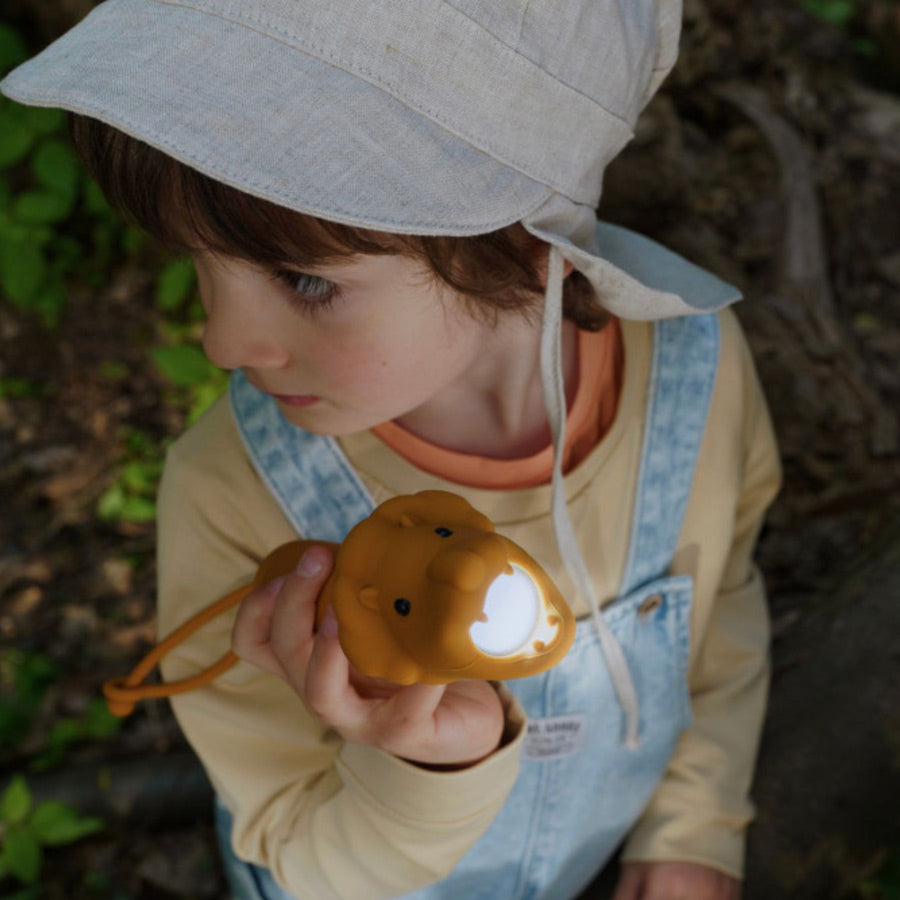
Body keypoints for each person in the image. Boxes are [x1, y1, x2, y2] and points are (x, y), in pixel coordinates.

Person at [1, 1, 781, 899]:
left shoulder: (695, 378)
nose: (221, 342)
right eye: (197, 265)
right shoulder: (232, 494)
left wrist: (693, 828)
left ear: (530, 249)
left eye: (304, 281)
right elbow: (286, 837)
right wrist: (423, 773)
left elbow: (720, 610)